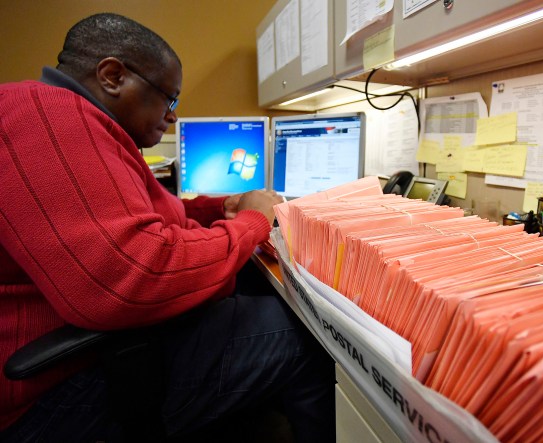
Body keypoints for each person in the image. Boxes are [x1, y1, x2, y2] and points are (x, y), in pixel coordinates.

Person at [0, 13, 334, 442]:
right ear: (113, 75)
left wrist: (220, 207)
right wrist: (252, 222)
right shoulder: (49, 116)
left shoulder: (75, 120)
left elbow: (147, 213)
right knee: (306, 337)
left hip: (97, 348)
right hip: (58, 390)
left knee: (260, 303)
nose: (172, 117)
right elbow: (134, 274)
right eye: (169, 99)